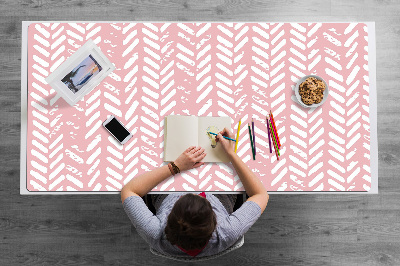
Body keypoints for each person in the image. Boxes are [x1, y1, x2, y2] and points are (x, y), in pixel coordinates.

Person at [121, 127, 269, 258]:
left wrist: (175, 166)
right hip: (221, 198)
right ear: (215, 222)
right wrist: (231, 153)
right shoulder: (227, 232)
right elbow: (261, 194)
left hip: (166, 195)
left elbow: (129, 190)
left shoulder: (155, 233)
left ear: (169, 219)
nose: (197, 192)